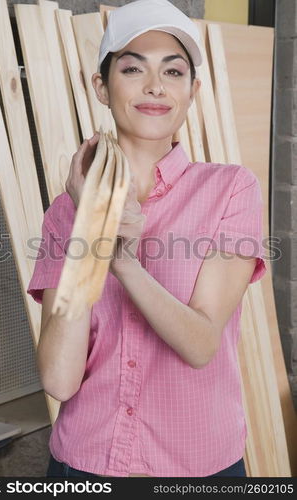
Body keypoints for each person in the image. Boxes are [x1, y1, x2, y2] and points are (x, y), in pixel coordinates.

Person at [27, 0, 267, 478]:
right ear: (102, 86)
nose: (155, 86)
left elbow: (200, 344)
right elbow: (59, 378)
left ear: (192, 90)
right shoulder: (66, 212)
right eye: (133, 67)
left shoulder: (230, 189)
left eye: (173, 72)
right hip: (84, 466)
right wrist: (91, 227)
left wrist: (122, 261)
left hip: (197, 469)